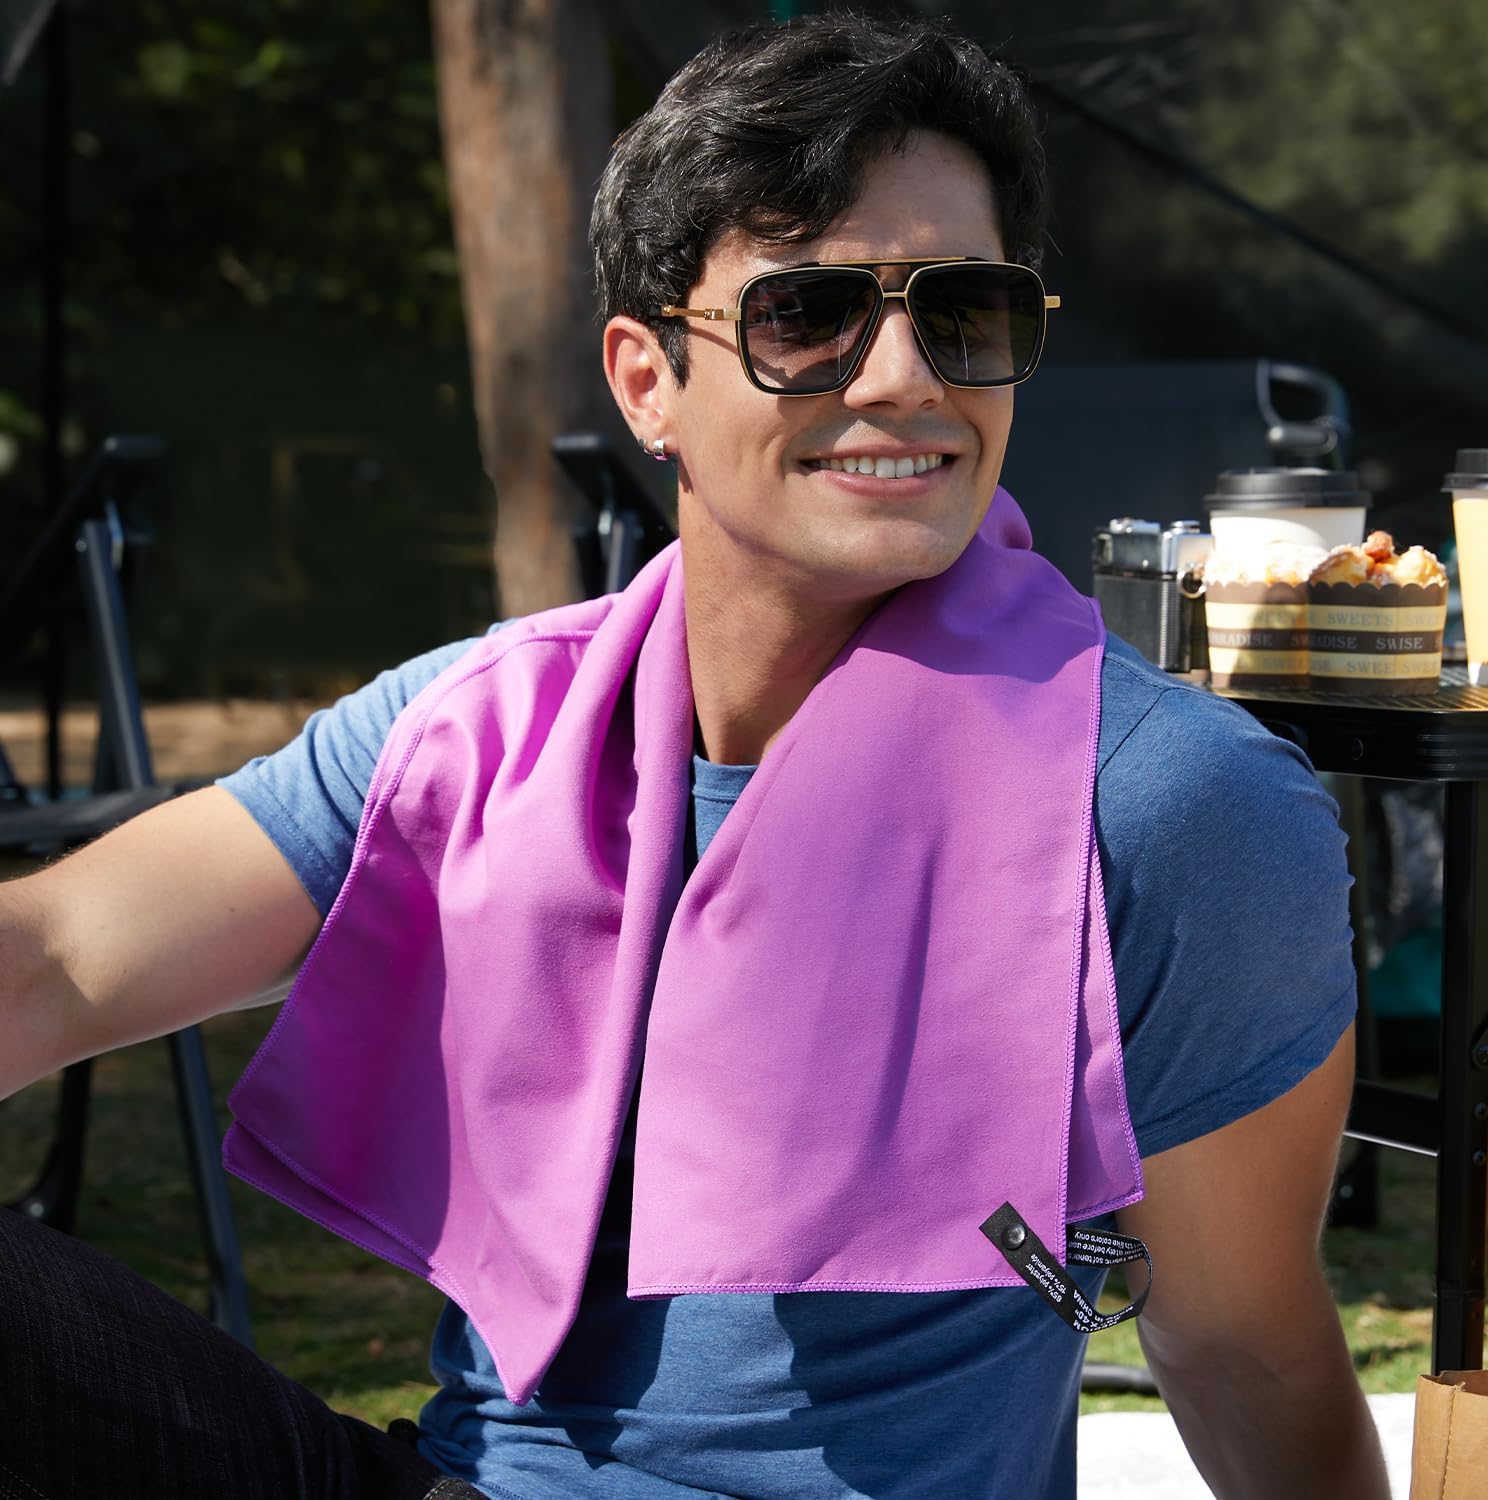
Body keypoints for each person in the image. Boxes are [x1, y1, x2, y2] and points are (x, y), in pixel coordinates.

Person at [0, 12, 1389, 1499]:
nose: (907, 377)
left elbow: (1244, 1348)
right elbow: (62, 954)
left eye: (967, 311)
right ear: (645, 378)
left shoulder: (1169, 803)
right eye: (809, 314)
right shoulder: (482, 734)